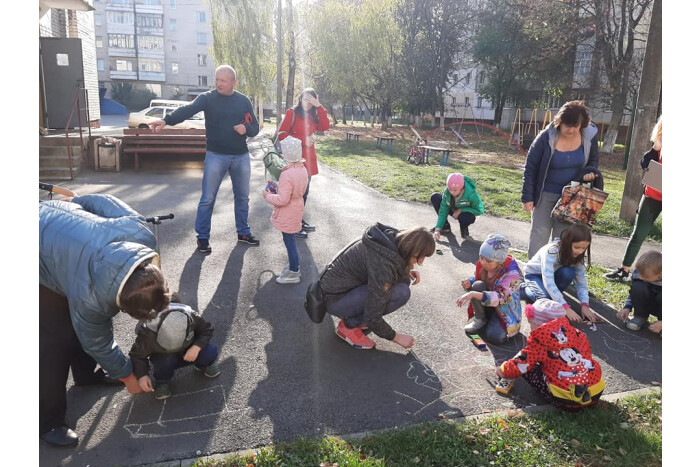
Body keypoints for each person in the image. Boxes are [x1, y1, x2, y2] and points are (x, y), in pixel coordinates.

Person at [40, 194, 171, 446]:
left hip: (61, 226)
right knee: (55, 340)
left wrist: (79, 201)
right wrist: (128, 377)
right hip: (36, 252)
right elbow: (97, 342)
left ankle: (86, 375)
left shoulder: (140, 232)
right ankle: (48, 422)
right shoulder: (90, 298)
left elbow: (105, 201)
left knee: (77, 323)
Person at [149, 65, 261, 252]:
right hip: (216, 155)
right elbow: (187, 110)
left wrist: (246, 129)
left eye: (223, 80)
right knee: (208, 199)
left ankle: (243, 232)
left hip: (240, 156)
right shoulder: (207, 98)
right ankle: (202, 238)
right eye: (216, 79)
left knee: (242, 198)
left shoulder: (243, 101)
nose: (218, 83)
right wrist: (166, 121)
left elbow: (255, 127)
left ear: (234, 82)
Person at [320, 224, 435, 349]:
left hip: (337, 290)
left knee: (404, 281)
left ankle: (357, 319)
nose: (421, 262)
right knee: (401, 293)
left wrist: (406, 271)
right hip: (334, 300)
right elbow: (373, 314)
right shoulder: (382, 262)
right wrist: (396, 337)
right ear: (412, 251)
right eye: (419, 257)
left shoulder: (389, 240)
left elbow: (391, 265)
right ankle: (348, 327)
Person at [521, 100, 600, 258]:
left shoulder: (589, 136)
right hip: (545, 194)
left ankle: (556, 274)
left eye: (575, 126)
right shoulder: (546, 137)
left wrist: (589, 173)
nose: (570, 130)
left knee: (563, 237)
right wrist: (527, 196)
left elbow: (593, 161)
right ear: (559, 122)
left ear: (582, 125)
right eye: (567, 125)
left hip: (573, 198)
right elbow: (531, 167)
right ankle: (534, 274)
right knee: (539, 234)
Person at [497, 299, 605, 410]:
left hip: (566, 400)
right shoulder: (577, 333)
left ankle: (561, 398)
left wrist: (503, 370)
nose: (530, 328)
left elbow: (522, 362)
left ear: (539, 324)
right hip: (594, 392)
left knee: (530, 367)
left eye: (531, 324)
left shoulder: (539, 340)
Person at [605, 115, 662, 282]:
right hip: (652, 194)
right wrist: (655, 148)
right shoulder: (660, 143)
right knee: (638, 233)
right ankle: (624, 270)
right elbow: (645, 163)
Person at [129, 302, 220, 400]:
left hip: (189, 349)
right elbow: (137, 355)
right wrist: (142, 375)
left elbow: (206, 330)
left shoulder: (191, 315)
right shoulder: (147, 333)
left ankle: (202, 365)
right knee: (162, 362)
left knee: (210, 352)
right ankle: (162, 381)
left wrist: (196, 347)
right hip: (165, 357)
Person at [276, 88, 331, 239]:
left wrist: (319, 107)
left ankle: (298, 220)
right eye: (305, 99)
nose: (307, 103)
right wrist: (301, 140)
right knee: (296, 194)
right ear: (299, 99)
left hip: (308, 159)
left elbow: (325, 126)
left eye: (311, 100)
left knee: (304, 192)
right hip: (294, 160)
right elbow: (282, 134)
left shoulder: (314, 115)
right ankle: (293, 225)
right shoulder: (291, 113)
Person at [521, 224, 600, 323]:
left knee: (569, 272)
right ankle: (524, 288)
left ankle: (554, 297)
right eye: (577, 247)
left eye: (584, 248)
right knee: (544, 299)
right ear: (567, 242)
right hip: (535, 275)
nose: (580, 251)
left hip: (552, 277)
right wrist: (565, 308)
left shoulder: (578, 258)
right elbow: (548, 280)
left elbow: (581, 283)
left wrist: (585, 305)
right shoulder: (551, 252)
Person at [457, 233, 523, 344]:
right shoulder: (484, 265)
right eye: (481, 258)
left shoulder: (513, 275)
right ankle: (481, 318)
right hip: (489, 304)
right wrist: (471, 281)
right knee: (477, 285)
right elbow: (478, 277)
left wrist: (473, 294)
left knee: (495, 337)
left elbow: (500, 297)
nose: (483, 262)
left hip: (505, 311)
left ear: (499, 261)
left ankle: (494, 322)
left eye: (488, 261)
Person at [262, 136, 309, 284]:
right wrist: (277, 186)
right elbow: (292, 190)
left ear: (285, 155)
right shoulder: (302, 169)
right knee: (290, 240)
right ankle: (293, 265)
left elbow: (282, 200)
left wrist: (268, 195)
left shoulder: (287, 174)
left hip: (288, 212)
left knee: (290, 242)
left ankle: (294, 272)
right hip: (297, 208)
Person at [616, 250, 662, 334]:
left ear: (660, 274)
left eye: (645, 276)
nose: (641, 277)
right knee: (638, 286)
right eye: (640, 273)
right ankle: (640, 317)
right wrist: (627, 307)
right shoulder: (639, 273)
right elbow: (633, 293)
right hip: (649, 302)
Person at [431, 172, 484, 240]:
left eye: (455, 190)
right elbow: (443, 211)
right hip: (452, 208)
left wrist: (461, 210)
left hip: (464, 213)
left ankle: (464, 227)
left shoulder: (472, 195)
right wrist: (437, 229)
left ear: (462, 188)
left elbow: (479, 211)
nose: (452, 192)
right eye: (450, 189)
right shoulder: (447, 192)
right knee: (435, 197)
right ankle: (445, 226)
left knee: (467, 217)